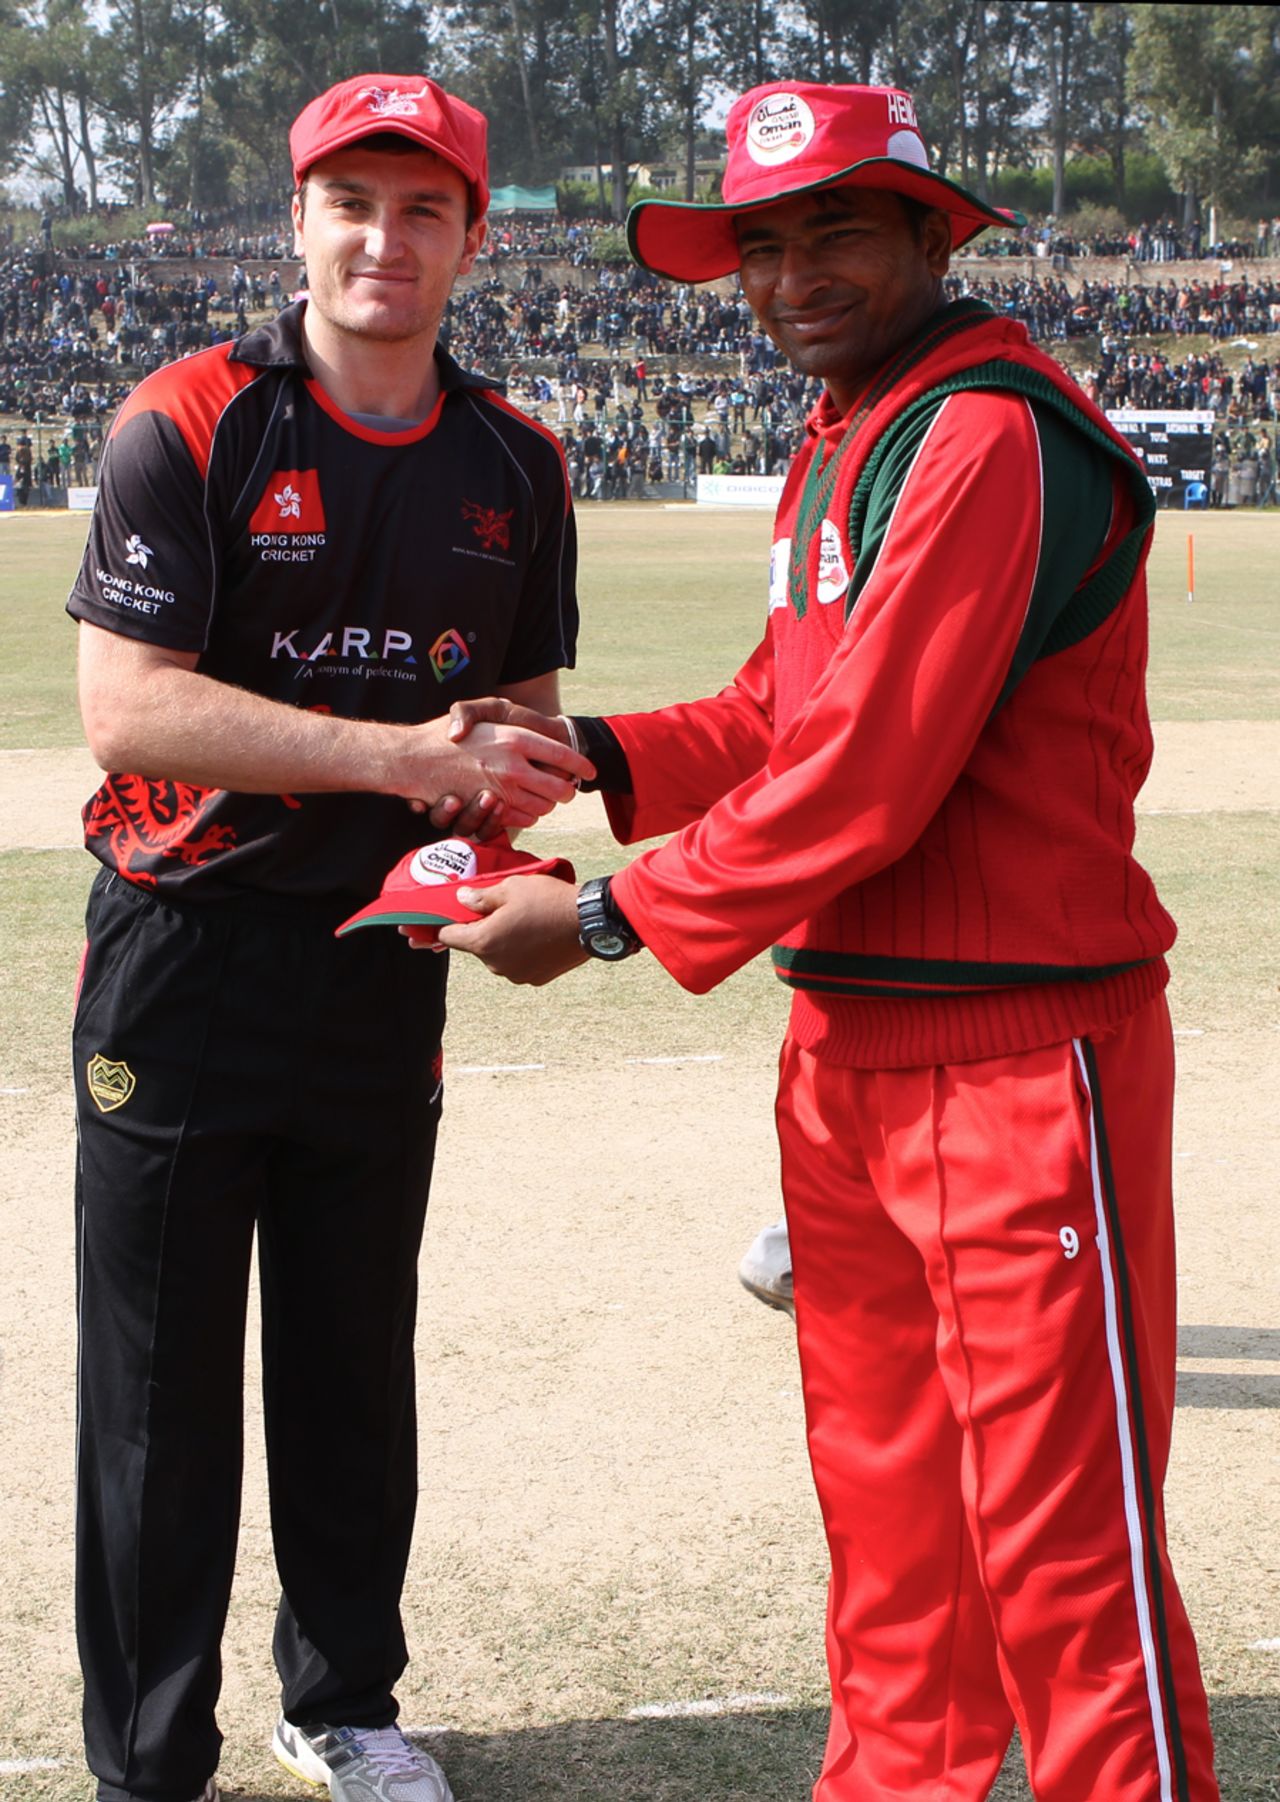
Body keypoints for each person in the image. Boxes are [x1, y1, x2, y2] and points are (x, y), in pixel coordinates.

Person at [431, 81, 1220, 1801]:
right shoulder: (853, 433)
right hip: (851, 1056)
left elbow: (864, 779)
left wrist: (605, 914)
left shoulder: (986, 431)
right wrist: (588, 758)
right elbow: (783, 710)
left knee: (1067, 1567)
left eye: (836, 231)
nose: (788, 277)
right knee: (894, 1549)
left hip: (1020, 1056)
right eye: (761, 245)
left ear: (933, 231)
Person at [66, 70, 591, 1802]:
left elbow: (519, 722)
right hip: (183, 955)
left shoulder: (520, 462)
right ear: (296, 220)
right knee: (159, 1393)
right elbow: (129, 713)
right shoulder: (190, 419)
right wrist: (396, 754)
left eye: (423, 206)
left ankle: (344, 1698)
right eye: (351, 203)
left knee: (351, 1360)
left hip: (383, 972)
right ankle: (152, 1760)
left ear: (471, 237)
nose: (385, 237)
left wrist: (502, 812)